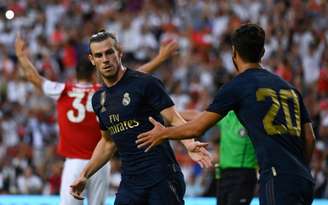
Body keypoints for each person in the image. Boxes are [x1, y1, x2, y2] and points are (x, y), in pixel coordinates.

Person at [136, 23, 316, 205]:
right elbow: (309, 138)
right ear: (262, 52)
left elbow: (197, 127)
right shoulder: (291, 89)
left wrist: (163, 133)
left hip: (276, 177)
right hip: (304, 179)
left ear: (234, 53)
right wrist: (299, 168)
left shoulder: (237, 86)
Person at [15, 33, 181, 205]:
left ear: (75, 74)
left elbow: (35, 78)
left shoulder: (64, 90)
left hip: (78, 162)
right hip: (101, 163)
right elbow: (133, 79)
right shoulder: (102, 92)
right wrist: (160, 58)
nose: (105, 60)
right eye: (99, 56)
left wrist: (21, 55)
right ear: (94, 68)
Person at [69, 30, 212, 205]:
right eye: (99, 55)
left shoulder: (145, 83)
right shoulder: (98, 99)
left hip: (161, 176)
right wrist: (85, 175)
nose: (105, 59)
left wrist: (190, 143)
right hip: (130, 183)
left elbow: (174, 118)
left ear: (119, 52)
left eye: (109, 52)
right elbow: (107, 143)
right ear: (92, 60)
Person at [181, 109, 257, 205]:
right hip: (223, 174)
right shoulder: (227, 116)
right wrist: (168, 113)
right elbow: (198, 115)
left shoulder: (253, 119)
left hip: (244, 173)